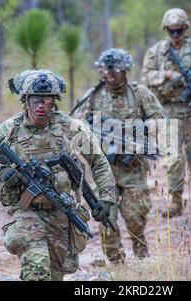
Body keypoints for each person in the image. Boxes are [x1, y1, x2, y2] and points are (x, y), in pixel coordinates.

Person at [0, 69, 116, 280]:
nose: (41, 105)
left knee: (56, 274)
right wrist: (2, 170)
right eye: (36, 99)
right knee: (37, 268)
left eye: (47, 99)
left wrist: (105, 199)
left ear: (55, 101)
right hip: (26, 212)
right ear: (25, 100)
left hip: (61, 211)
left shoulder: (72, 128)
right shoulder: (9, 129)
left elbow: (98, 162)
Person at [74, 48, 165, 263]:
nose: (110, 74)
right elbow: (77, 124)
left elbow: (159, 119)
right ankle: (116, 262)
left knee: (135, 216)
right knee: (106, 217)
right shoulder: (93, 95)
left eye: (115, 70)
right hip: (103, 169)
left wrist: (134, 130)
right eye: (105, 70)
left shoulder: (140, 93)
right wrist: (96, 137)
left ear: (125, 70)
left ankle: (141, 254)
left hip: (133, 167)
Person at [141, 8, 191, 217]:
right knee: (172, 157)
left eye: (179, 30)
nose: (175, 35)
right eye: (171, 31)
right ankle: (176, 200)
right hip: (167, 110)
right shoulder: (156, 52)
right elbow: (145, 76)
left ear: (185, 29)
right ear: (166, 30)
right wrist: (165, 75)